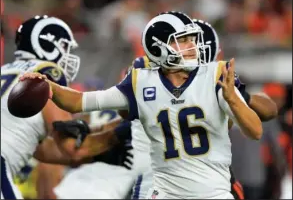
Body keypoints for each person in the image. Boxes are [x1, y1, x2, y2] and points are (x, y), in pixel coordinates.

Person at [20, 11, 263, 199]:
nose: (192, 46)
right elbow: (80, 102)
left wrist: (234, 100)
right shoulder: (139, 83)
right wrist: (49, 86)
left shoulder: (215, 77)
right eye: (183, 40)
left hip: (212, 191)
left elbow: (255, 131)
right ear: (159, 48)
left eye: (192, 40)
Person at [1, 15, 130, 200]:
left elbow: (42, 150)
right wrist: (119, 133)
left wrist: (97, 150)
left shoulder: (6, 70)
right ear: (46, 44)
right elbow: (74, 147)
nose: (67, 55)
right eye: (64, 47)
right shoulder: (45, 74)